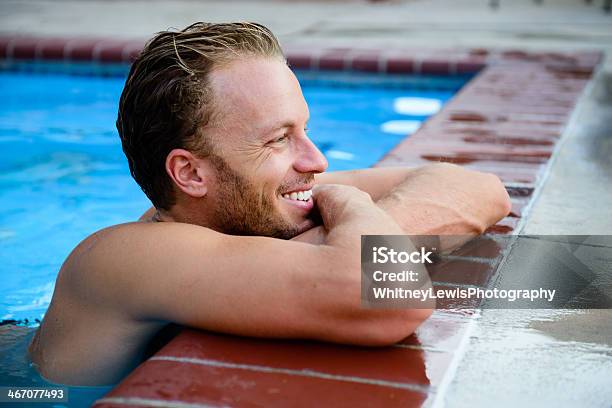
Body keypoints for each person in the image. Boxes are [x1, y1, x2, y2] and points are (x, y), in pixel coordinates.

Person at [28, 22, 511, 386]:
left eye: (304, 129)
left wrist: (348, 243)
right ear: (192, 173)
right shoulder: (126, 255)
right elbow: (388, 293)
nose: (317, 161)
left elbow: (480, 188)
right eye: (279, 139)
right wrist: (345, 204)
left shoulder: (256, 196)